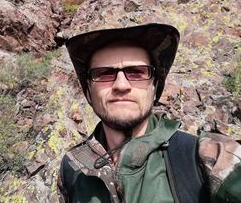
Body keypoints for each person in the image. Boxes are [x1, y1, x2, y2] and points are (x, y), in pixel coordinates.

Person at [58, 23, 241, 203]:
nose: (121, 85)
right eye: (104, 73)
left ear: (155, 87)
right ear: (89, 91)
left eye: (137, 72)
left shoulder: (208, 157)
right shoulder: (72, 168)